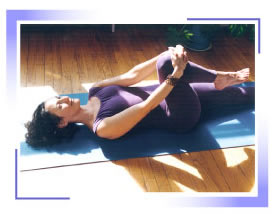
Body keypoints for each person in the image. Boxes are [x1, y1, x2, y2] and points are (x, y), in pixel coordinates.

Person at [25, 45, 254, 148]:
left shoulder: (94, 89)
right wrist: (176, 71)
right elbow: (146, 106)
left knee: (246, 95)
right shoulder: (102, 127)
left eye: (60, 98)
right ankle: (220, 77)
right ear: (63, 123)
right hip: (178, 114)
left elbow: (132, 76)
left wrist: (169, 53)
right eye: (60, 106)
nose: (64, 99)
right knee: (167, 64)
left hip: (174, 91)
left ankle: (221, 80)